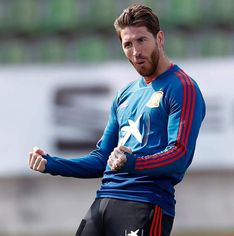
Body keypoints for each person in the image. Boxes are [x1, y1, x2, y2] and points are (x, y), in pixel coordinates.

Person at [29, 4, 206, 236]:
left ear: (160, 38)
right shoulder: (125, 95)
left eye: (142, 40)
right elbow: (102, 158)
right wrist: (51, 164)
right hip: (103, 202)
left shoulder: (182, 87)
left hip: (145, 203)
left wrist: (132, 163)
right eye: (128, 44)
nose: (136, 51)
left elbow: (179, 155)